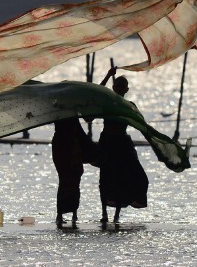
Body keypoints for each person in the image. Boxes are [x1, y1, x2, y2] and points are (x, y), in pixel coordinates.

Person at [97, 67, 149, 224]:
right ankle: (104, 213)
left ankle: (117, 215)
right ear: (113, 87)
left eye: (122, 86)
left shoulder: (129, 105)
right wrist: (107, 75)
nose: (119, 88)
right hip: (107, 142)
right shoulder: (107, 102)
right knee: (105, 179)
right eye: (117, 85)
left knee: (135, 177)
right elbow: (97, 92)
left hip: (122, 143)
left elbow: (140, 122)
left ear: (127, 89)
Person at [51, 117, 96, 226]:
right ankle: (69, 214)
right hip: (68, 143)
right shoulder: (70, 104)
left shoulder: (57, 104)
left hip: (62, 142)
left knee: (67, 178)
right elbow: (87, 118)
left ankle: (62, 214)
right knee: (71, 178)